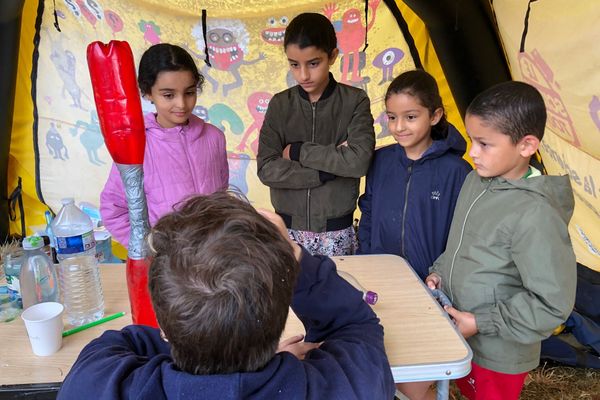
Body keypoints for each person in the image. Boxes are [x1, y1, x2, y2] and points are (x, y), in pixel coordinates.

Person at [57, 192, 396, 400]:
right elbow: (356, 325)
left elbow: (123, 343)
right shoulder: (347, 388)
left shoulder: (98, 384)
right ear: (279, 319)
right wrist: (295, 257)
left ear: (163, 324)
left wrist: (220, 344)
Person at [423, 81, 577, 400]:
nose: (472, 152)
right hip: (463, 332)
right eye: (470, 140)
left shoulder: (536, 214)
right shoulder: (475, 180)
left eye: (484, 144)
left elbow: (552, 303)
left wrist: (481, 322)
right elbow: (463, 246)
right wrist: (440, 272)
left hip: (499, 352)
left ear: (526, 145)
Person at [257, 12, 375, 257]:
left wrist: (298, 151)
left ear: (332, 56)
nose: (303, 75)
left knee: (337, 294)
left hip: (337, 232)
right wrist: (327, 169)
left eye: (313, 63)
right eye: (294, 64)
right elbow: (267, 168)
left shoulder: (355, 101)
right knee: (290, 295)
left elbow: (358, 161)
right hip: (287, 231)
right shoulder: (280, 105)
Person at [100, 43, 228, 247]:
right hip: (167, 265)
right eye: (168, 95)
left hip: (213, 258)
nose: (182, 104)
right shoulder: (135, 146)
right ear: (147, 92)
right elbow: (113, 209)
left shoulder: (214, 137)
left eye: (189, 92)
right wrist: (148, 250)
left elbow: (222, 198)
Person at [357, 69, 472, 281]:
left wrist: (441, 275)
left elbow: (465, 237)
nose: (398, 126)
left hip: (433, 285)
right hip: (380, 278)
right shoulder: (380, 161)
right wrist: (366, 260)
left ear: (435, 116)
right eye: (392, 117)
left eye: (410, 117)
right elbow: (368, 216)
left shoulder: (457, 172)